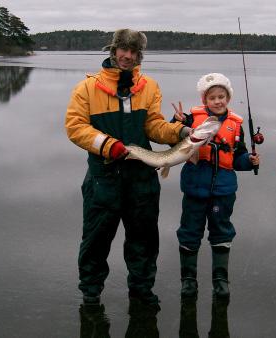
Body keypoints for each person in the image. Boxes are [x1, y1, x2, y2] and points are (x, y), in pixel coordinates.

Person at [65, 28, 191, 306]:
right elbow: (75, 128)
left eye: (134, 52)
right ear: (113, 50)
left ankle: (142, 290)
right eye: (124, 50)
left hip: (141, 179)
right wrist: (109, 145)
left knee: (144, 240)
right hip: (103, 179)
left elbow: (153, 126)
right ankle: (91, 293)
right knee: (96, 240)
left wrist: (179, 132)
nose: (128, 56)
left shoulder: (149, 86)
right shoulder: (87, 88)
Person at [172, 73, 260, 300]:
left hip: (223, 191)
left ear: (228, 98)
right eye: (212, 97)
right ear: (205, 100)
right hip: (194, 188)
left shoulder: (236, 125)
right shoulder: (192, 120)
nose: (218, 101)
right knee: (190, 232)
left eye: (222, 96)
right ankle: (188, 280)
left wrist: (249, 162)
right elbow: (173, 140)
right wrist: (177, 122)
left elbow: (237, 158)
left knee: (221, 232)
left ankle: (220, 280)